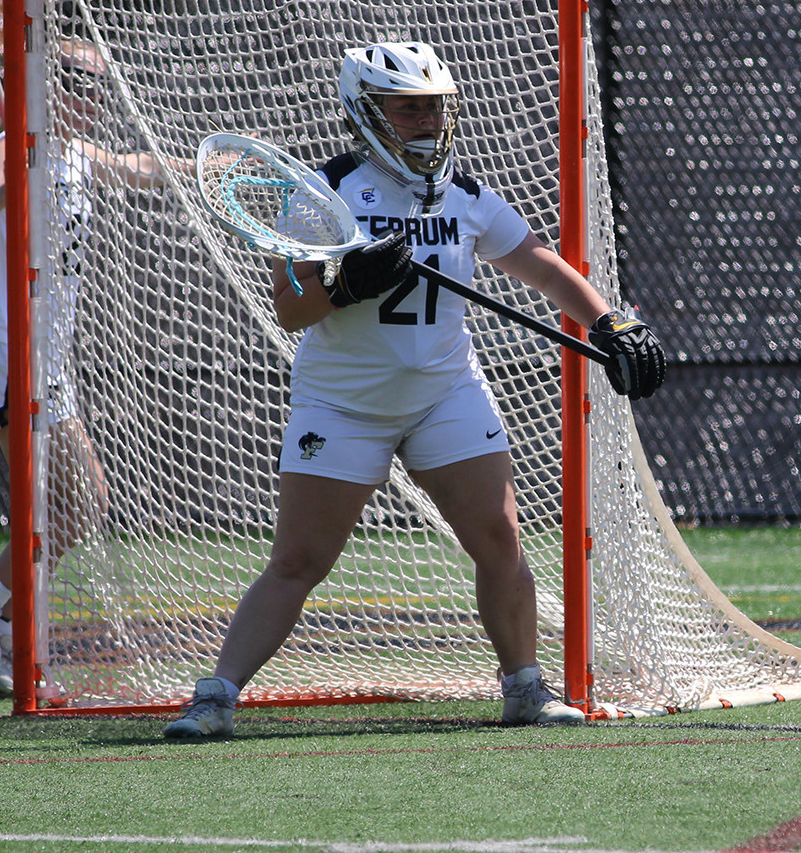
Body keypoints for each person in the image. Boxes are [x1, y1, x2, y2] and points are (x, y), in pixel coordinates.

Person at [162, 41, 666, 738]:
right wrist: (346, 285)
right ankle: (214, 696)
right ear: (368, 112)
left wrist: (610, 321)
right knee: (300, 560)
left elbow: (540, 267)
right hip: (342, 403)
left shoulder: (463, 194)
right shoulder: (321, 192)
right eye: (410, 109)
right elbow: (288, 306)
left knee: (499, 537)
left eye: (434, 108)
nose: (428, 122)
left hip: (443, 393)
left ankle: (524, 686)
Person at [0, 42, 178, 699]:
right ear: (42, 86)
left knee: (79, 503)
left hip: (45, 363)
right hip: (5, 356)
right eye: (76, 83)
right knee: (59, 505)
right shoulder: (14, 148)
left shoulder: (78, 153)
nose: (91, 97)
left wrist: (203, 169)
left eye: (98, 85)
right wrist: (20, 176)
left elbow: (134, 167)